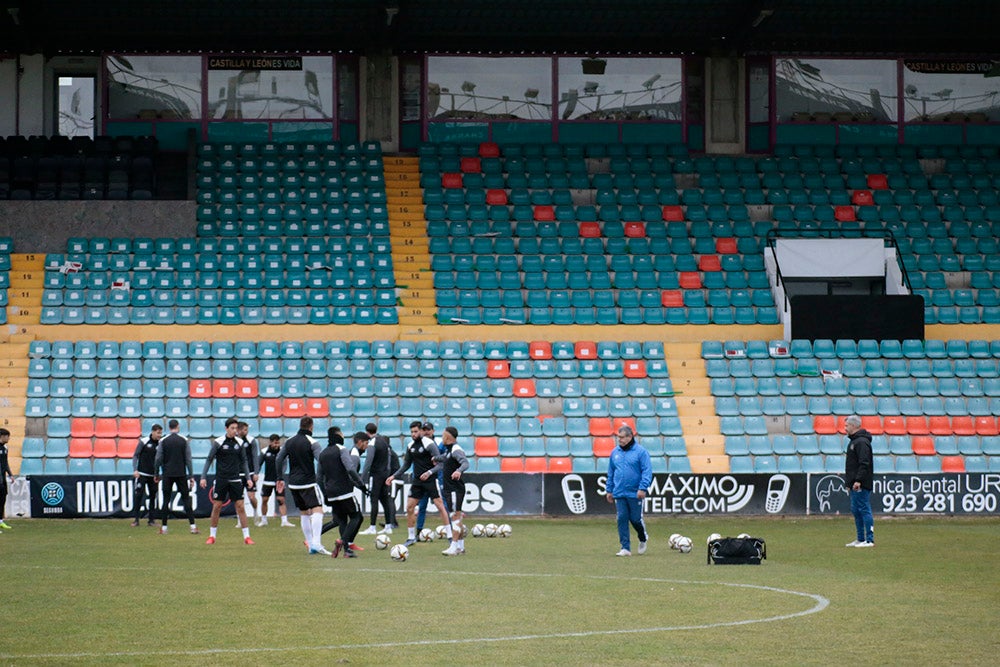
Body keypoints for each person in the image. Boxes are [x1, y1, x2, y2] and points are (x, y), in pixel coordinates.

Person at [386, 420, 452, 547]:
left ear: (421, 431)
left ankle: (450, 535)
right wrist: (394, 476)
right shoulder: (411, 445)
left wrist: (429, 472)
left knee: (440, 506)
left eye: (416, 431)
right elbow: (406, 465)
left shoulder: (429, 444)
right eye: (411, 432)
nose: (413, 434)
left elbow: (441, 464)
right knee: (409, 507)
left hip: (430, 480)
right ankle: (411, 537)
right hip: (417, 481)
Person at [275, 416, 330, 555]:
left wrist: (280, 478)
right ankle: (317, 543)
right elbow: (321, 460)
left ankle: (311, 545)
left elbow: (279, 458)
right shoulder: (313, 442)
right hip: (308, 482)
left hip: (293, 483)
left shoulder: (289, 441)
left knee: (304, 513)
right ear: (311, 426)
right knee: (318, 510)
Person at [200, 417, 254, 545]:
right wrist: (203, 477)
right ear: (226, 429)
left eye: (236, 428)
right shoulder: (219, 442)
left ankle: (247, 537)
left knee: (240, 506)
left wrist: (248, 478)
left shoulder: (239, 443)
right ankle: (212, 536)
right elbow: (209, 459)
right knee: (217, 506)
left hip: (235, 479)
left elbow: (244, 462)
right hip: (221, 479)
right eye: (232, 428)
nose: (235, 431)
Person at [318, 431, 370, 558]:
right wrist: (362, 485)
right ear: (338, 436)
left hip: (331, 492)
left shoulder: (322, 453)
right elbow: (350, 469)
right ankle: (343, 541)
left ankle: (347, 551)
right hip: (344, 490)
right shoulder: (342, 449)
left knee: (341, 521)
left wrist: (325, 494)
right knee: (356, 517)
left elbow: (319, 477)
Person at [605, 424, 652, 557]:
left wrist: (642, 488)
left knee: (636, 519)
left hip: (635, 492)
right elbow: (611, 472)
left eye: (622, 437)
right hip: (619, 492)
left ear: (630, 437)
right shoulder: (615, 453)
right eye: (618, 437)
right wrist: (609, 490)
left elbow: (647, 471)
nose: (619, 440)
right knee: (621, 518)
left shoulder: (641, 452)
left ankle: (643, 537)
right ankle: (625, 548)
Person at [153, 419, 198, 535]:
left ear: (169, 427)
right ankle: (193, 526)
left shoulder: (163, 441)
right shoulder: (184, 440)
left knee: (166, 500)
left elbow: (158, 459)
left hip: (167, 474)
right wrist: (191, 475)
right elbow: (188, 459)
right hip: (181, 474)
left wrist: (156, 473)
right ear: (177, 427)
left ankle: (164, 528)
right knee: (186, 499)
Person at [358, 421, 397, 535]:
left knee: (373, 499)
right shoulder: (384, 442)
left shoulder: (372, 443)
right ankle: (388, 526)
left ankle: (372, 527)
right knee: (385, 500)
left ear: (367, 432)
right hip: (385, 474)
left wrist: (362, 478)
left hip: (375, 475)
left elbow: (368, 462)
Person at [435, 426, 469, 556]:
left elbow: (465, 463)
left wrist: (458, 471)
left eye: (443, 435)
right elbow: (446, 457)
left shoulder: (456, 449)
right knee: (456, 517)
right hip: (451, 489)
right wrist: (436, 459)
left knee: (455, 517)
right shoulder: (449, 450)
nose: (442, 438)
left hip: (455, 489)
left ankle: (453, 546)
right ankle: (460, 546)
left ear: (448, 437)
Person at [844, 414, 875, 548]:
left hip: (861, 483)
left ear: (853, 426)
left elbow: (864, 463)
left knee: (863, 509)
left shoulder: (861, 442)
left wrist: (858, 480)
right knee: (856, 510)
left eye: (846, 425)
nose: (845, 428)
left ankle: (869, 539)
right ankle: (860, 538)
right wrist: (849, 483)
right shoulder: (854, 441)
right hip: (854, 483)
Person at [415, 421, 446, 532]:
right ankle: (418, 531)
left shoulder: (439, 443)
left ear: (433, 431)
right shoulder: (418, 443)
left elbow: (445, 457)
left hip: (438, 478)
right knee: (422, 505)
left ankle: (450, 530)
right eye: (424, 429)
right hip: (425, 479)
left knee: (443, 505)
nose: (426, 432)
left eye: (428, 429)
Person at [258, 434, 294, 527]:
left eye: (278, 442)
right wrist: (256, 474)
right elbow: (259, 464)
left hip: (279, 481)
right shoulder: (264, 451)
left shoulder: (282, 451)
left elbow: (285, 464)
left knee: (281, 500)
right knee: (264, 500)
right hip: (267, 480)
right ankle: (264, 520)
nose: (276, 445)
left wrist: (281, 475)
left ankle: (284, 521)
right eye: (274, 443)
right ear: (270, 442)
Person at [131, 424, 162, 527]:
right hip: (142, 474)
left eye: (160, 433)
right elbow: (135, 455)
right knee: (139, 496)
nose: (159, 435)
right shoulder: (144, 441)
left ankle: (151, 520)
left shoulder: (161, 444)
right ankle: (136, 520)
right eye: (158, 433)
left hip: (153, 475)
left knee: (153, 497)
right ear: (152, 432)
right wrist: (135, 470)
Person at [237, 421, 262, 526]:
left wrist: (256, 472)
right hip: (238, 473)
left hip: (250, 473)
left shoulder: (251, 441)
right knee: (238, 499)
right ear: (239, 430)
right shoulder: (234, 441)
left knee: (251, 497)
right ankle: (239, 519)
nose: (246, 431)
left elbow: (255, 457)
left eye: (247, 430)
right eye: (244, 429)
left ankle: (256, 511)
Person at [0, 428, 15, 532]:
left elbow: (5, 463)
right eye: (7, 436)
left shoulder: (5, 447)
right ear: (2, 436)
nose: (9, 438)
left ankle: (0, 521)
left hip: (2, 478)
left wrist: (10, 474)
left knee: (2, 499)